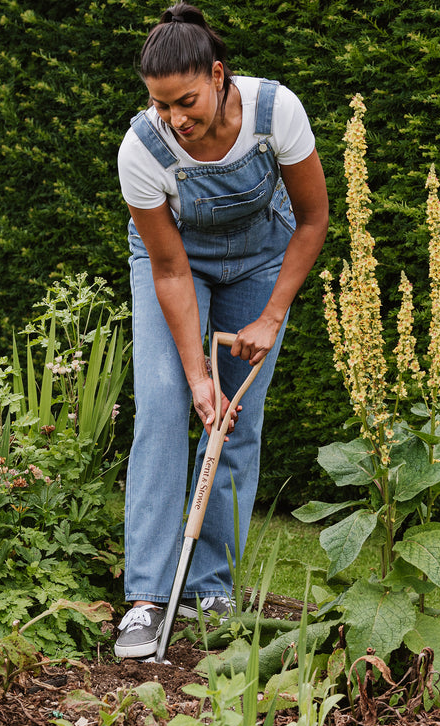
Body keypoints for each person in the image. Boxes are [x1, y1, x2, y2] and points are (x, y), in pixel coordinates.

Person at [115, 2, 328, 659]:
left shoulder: (275, 113)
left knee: (239, 418)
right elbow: (172, 270)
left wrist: (270, 317)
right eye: (161, 106)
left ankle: (212, 588)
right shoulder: (142, 149)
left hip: (265, 260)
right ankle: (148, 600)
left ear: (216, 74)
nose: (176, 120)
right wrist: (196, 373)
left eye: (185, 101)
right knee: (163, 403)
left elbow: (313, 219)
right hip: (178, 262)